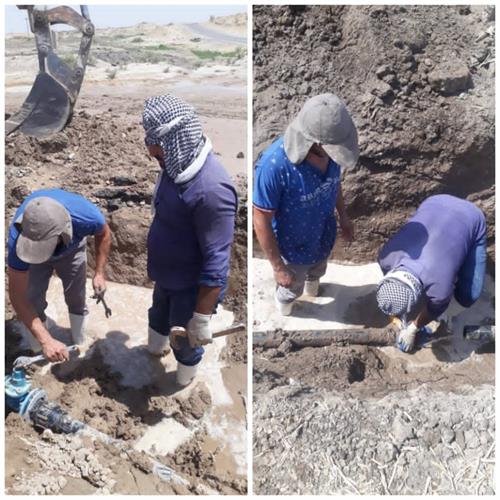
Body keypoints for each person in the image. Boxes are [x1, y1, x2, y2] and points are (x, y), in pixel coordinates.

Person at [142, 94, 237, 386]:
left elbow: (216, 263)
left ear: (175, 139)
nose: (151, 152)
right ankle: (154, 353)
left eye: (157, 148)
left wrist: (202, 317)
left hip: (190, 289)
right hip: (168, 277)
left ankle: (182, 384)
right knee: (158, 318)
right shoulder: (175, 167)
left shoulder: (211, 191)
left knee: (185, 343)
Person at [253, 93, 358, 316]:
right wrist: (279, 268)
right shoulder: (275, 166)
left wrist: (343, 216)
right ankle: (286, 309)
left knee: (317, 272)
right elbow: (260, 217)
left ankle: (313, 286)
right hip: (293, 249)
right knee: (291, 288)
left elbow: (333, 184)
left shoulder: (330, 155)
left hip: (321, 236)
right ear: (317, 143)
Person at [8, 189, 111, 362]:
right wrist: (46, 341)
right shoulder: (18, 241)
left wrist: (99, 273)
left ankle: (80, 341)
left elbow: (104, 234)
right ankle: (38, 351)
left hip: (72, 249)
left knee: (76, 296)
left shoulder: (86, 217)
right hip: (30, 251)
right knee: (32, 299)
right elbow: (18, 297)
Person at [376, 194, 487, 352]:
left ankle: (461, 259)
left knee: (469, 296)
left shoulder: (440, 287)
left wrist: (414, 328)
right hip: (435, 202)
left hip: (471, 217)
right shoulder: (385, 257)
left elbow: (437, 306)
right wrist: (394, 314)